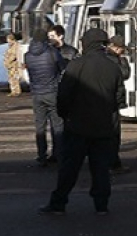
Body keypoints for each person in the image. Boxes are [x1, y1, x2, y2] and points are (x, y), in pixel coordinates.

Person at [39, 28, 126, 215]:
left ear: (86, 43)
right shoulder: (113, 67)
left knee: (69, 168)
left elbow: (63, 95)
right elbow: (119, 98)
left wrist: (65, 115)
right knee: (101, 169)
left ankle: (58, 203)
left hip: (77, 125)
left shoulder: (76, 65)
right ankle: (101, 205)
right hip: (103, 126)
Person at [24, 29, 66, 166]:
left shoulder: (27, 55)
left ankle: (41, 155)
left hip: (37, 93)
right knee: (57, 125)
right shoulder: (52, 53)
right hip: (52, 92)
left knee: (40, 126)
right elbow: (62, 69)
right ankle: (58, 154)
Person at [107, 35, 131, 174]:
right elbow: (125, 74)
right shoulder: (116, 60)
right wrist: (123, 61)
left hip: (104, 100)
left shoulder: (104, 58)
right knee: (114, 134)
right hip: (113, 100)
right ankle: (114, 164)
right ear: (117, 48)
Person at [4, 32, 23, 97]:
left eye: (9, 41)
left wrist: (8, 61)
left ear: (12, 40)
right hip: (10, 66)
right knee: (11, 79)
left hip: (14, 65)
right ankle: (13, 91)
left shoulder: (16, 46)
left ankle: (16, 91)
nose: (8, 42)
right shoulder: (11, 46)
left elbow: (15, 55)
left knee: (14, 79)